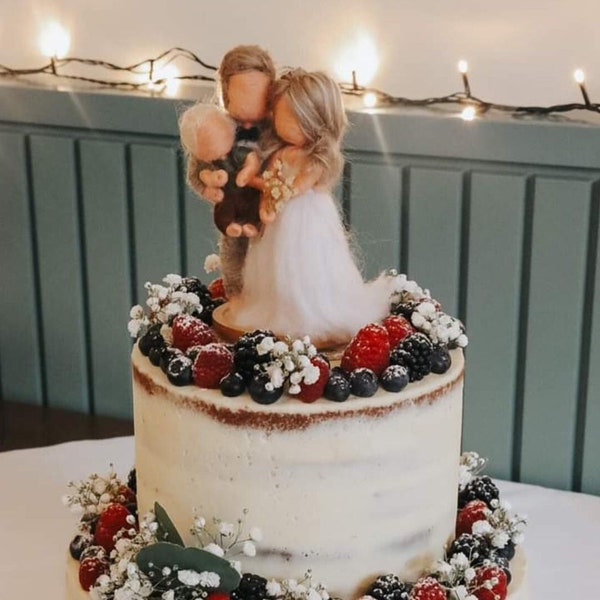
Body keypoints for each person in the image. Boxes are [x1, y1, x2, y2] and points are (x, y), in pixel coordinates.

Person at [228, 69, 394, 346]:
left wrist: (281, 191)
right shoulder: (280, 152)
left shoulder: (315, 158)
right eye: (280, 117)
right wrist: (256, 182)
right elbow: (271, 179)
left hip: (306, 216)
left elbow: (299, 185)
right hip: (279, 215)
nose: (284, 126)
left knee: (307, 262)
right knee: (275, 262)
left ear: (315, 120)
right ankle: (278, 307)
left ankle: (313, 310)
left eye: (292, 119)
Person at [185, 45, 276, 297]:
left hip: (272, 214)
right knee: (235, 260)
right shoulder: (216, 129)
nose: (247, 123)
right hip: (232, 211)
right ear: (225, 92)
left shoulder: (277, 128)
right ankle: (235, 300)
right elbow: (196, 170)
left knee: (274, 266)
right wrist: (207, 185)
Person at [179, 104, 261, 238]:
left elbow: (251, 158)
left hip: (246, 191)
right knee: (223, 213)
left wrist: (248, 171)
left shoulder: (236, 150)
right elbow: (194, 178)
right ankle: (230, 227)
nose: (221, 156)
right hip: (227, 195)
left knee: (253, 205)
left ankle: (250, 225)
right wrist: (207, 190)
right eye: (213, 154)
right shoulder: (202, 164)